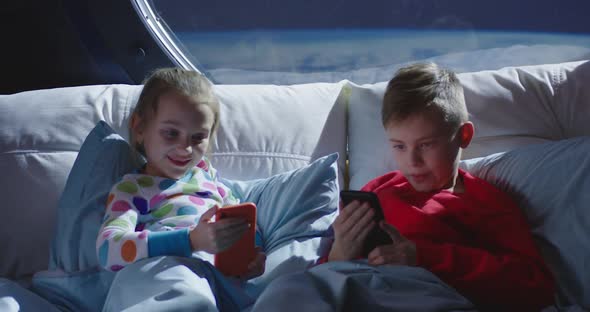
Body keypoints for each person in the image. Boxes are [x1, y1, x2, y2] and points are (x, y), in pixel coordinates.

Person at [322, 63, 555, 311]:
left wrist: (422, 257)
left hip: (430, 294)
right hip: (362, 289)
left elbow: (534, 286)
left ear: (463, 136)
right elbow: (326, 278)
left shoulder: (486, 203)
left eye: (425, 145)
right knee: (291, 287)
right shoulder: (378, 190)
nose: (412, 161)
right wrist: (338, 255)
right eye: (399, 146)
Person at [95, 68, 265, 280]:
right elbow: (108, 250)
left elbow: (248, 230)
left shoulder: (211, 182)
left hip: (216, 281)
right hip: (163, 276)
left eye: (198, 137)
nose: (185, 149)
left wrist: (252, 256)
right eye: (171, 133)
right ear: (140, 128)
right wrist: (191, 241)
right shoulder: (133, 189)